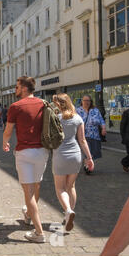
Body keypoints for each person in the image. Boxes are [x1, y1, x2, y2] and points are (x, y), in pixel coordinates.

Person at [2, 76, 49, 243]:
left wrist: (5, 142)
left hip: (24, 152)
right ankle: (29, 214)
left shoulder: (15, 107)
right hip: (42, 152)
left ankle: (39, 232)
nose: (15, 89)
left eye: (17, 87)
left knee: (28, 193)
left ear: (23, 88)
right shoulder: (43, 104)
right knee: (36, 186)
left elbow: (8, 131)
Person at [51, 94, 94, 232]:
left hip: (60, 155)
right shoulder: (78, 118)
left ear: (58, 105)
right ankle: (68, 214)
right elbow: (82, 140)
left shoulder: (56, 119)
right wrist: (89, 157)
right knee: (71, 187)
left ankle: (68, 211)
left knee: (60, 188)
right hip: (75, 155)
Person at [76, 95, 106, 175]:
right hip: (83, 135)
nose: (86, 102)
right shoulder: (78, 111)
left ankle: (89, 163)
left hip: (94, 135)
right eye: (85, 100)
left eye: (88, 100)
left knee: (93, 152)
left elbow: (101, 120)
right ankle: (87, 166)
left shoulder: (95, 110)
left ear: (91, 101)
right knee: (86, 151)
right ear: (81, 101)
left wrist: (103, 128)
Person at [120, 97, 129, 173]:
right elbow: (122, 127)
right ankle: (125, 163)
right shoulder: (127, 113)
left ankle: (126, 164)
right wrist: (123, 137)